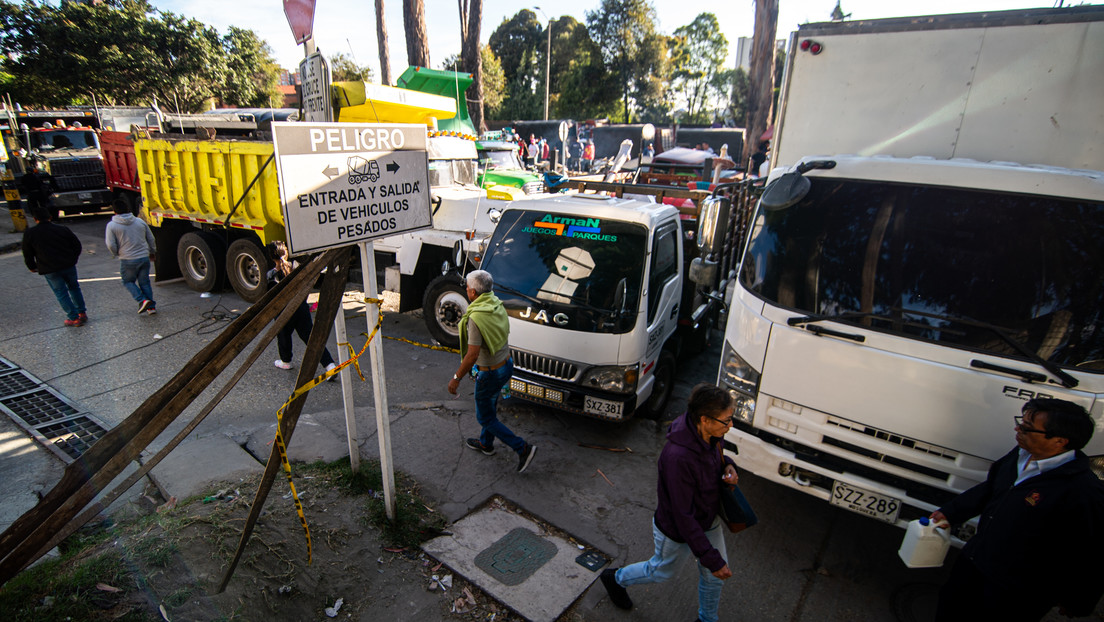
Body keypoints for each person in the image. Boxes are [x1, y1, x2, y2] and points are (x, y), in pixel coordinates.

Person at [930, 398, 1104, 622]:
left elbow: (1092, 554)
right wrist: (950, 512)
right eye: (1020, 422)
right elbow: (991, 488)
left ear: (1060, 441)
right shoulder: (1019, 455)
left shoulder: (1083, 492)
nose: (1017, 429)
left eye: (1026, 427)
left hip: (1016, 591)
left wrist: (1078, 601)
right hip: (974, 563)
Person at [601, 383, 737, 622]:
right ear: (705, 420)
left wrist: (729, 466)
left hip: (708, 518)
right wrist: (711, 557)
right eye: (726, 421)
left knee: (714, 574)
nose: (730, 425)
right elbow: (683, 515)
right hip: (676, 529)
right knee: (662, 571)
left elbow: (719, 456)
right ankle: (615, 578)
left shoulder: (710, 435)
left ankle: (707, 619)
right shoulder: (678, 458)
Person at [447, 270, 536, 473]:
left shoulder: (476, 317)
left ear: (471, 292)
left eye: (467, 288)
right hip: (506, 365)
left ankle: (522, 448)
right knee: (490, 406)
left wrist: (456, 378)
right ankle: (486, 444)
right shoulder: (495, 303)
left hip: (490, 373)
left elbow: (471, 355)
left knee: (485, 417)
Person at [266, 241, 338, 376]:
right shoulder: (296, 267)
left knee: (283, 336)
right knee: (310, 338)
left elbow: (270, 297)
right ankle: (330, 366)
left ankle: (285, 361)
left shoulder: (271, 275)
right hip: (301, 308)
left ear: (271, 257)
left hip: (283, 312)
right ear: (286, 253)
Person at [22, 206, 87, 327]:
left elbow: (27, 253)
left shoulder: (30, 233)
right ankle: (81, 312)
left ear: (35, 219)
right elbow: (76, 245)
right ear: (50, 217)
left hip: (48, 268)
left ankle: (73, 317)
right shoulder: (62, 229)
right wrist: (73, 259)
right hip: (68, 264)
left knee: (61, 292)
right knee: (74, 288)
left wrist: (32, 266)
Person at [105, 201, 158, 314]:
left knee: (128, 281)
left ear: (114, 211)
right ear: (128, 208)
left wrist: (116, 253)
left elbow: (110, 244)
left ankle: (142, 300)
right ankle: (151, 307)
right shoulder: (139, 222)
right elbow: (151, 238)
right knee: (145, 282)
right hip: (144, 257)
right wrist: (152, 251)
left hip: (127, 258)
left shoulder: (112, 225)